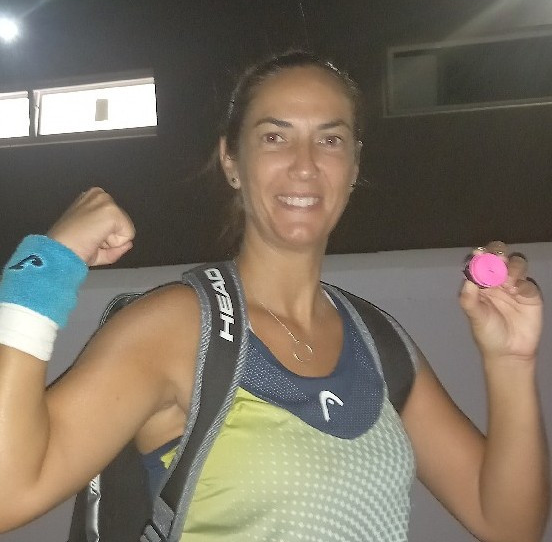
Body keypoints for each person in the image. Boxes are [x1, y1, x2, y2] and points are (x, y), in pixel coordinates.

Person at [0, 50, 549, 542]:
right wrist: (41, 272)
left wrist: (510, 361)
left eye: (330, 140)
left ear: (354, 166)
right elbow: (9, 494)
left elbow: (507, 524)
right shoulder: (177, 328)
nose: (305, 164)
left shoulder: (377, 342)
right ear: (231, 161)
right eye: (274, 136)